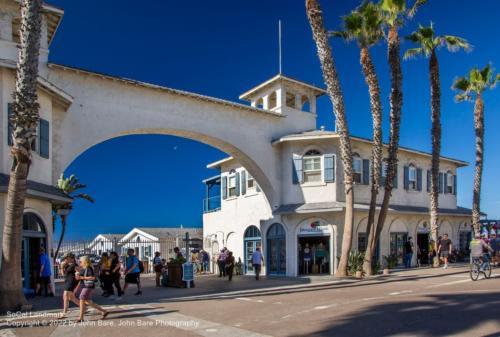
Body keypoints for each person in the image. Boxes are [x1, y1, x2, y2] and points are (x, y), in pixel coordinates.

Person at [75, 256, 109, 322]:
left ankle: (81, 317)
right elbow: (79, 279)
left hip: (88, 286)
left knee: (81, 299)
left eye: (80, 261)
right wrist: (77, 277)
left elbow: (93, 278)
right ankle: (104, 311)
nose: (79, 262)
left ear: (84, 261)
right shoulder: (82, 268)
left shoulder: (88, 268)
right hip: (84, 286)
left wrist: (82, 277)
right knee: (88, 302)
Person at [59, 252, 80, 317]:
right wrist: (62, 267)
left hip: (72, 282)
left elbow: (79, 272)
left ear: (71, 258)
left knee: (65, 295)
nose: (65, 259)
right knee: (71, 297)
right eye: (65, 258)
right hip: (67, 281)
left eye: (66, 258)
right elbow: (63, 274)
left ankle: (65, 312)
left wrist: (77, 275)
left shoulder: (74, 265)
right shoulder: (67, 265)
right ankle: (84, 307)